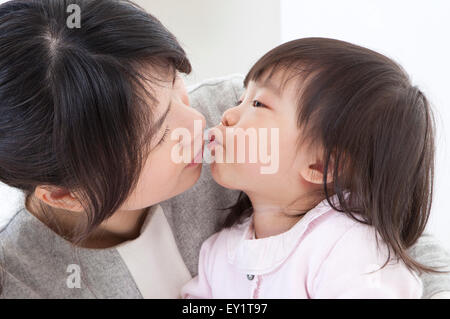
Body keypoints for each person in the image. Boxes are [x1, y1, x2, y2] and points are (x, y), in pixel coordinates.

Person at [0, 0, 448, 298]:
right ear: (65, 193)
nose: (200, 123)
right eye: (159, 136)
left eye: (177, 85)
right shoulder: (22, 279)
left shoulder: (246, 123)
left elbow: (411, 252)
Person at [181, 38, 450, 298]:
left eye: (258, 103)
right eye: (240, 100)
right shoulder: (219, 253)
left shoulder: (351, 250)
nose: (227, 115)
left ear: (320, 165)